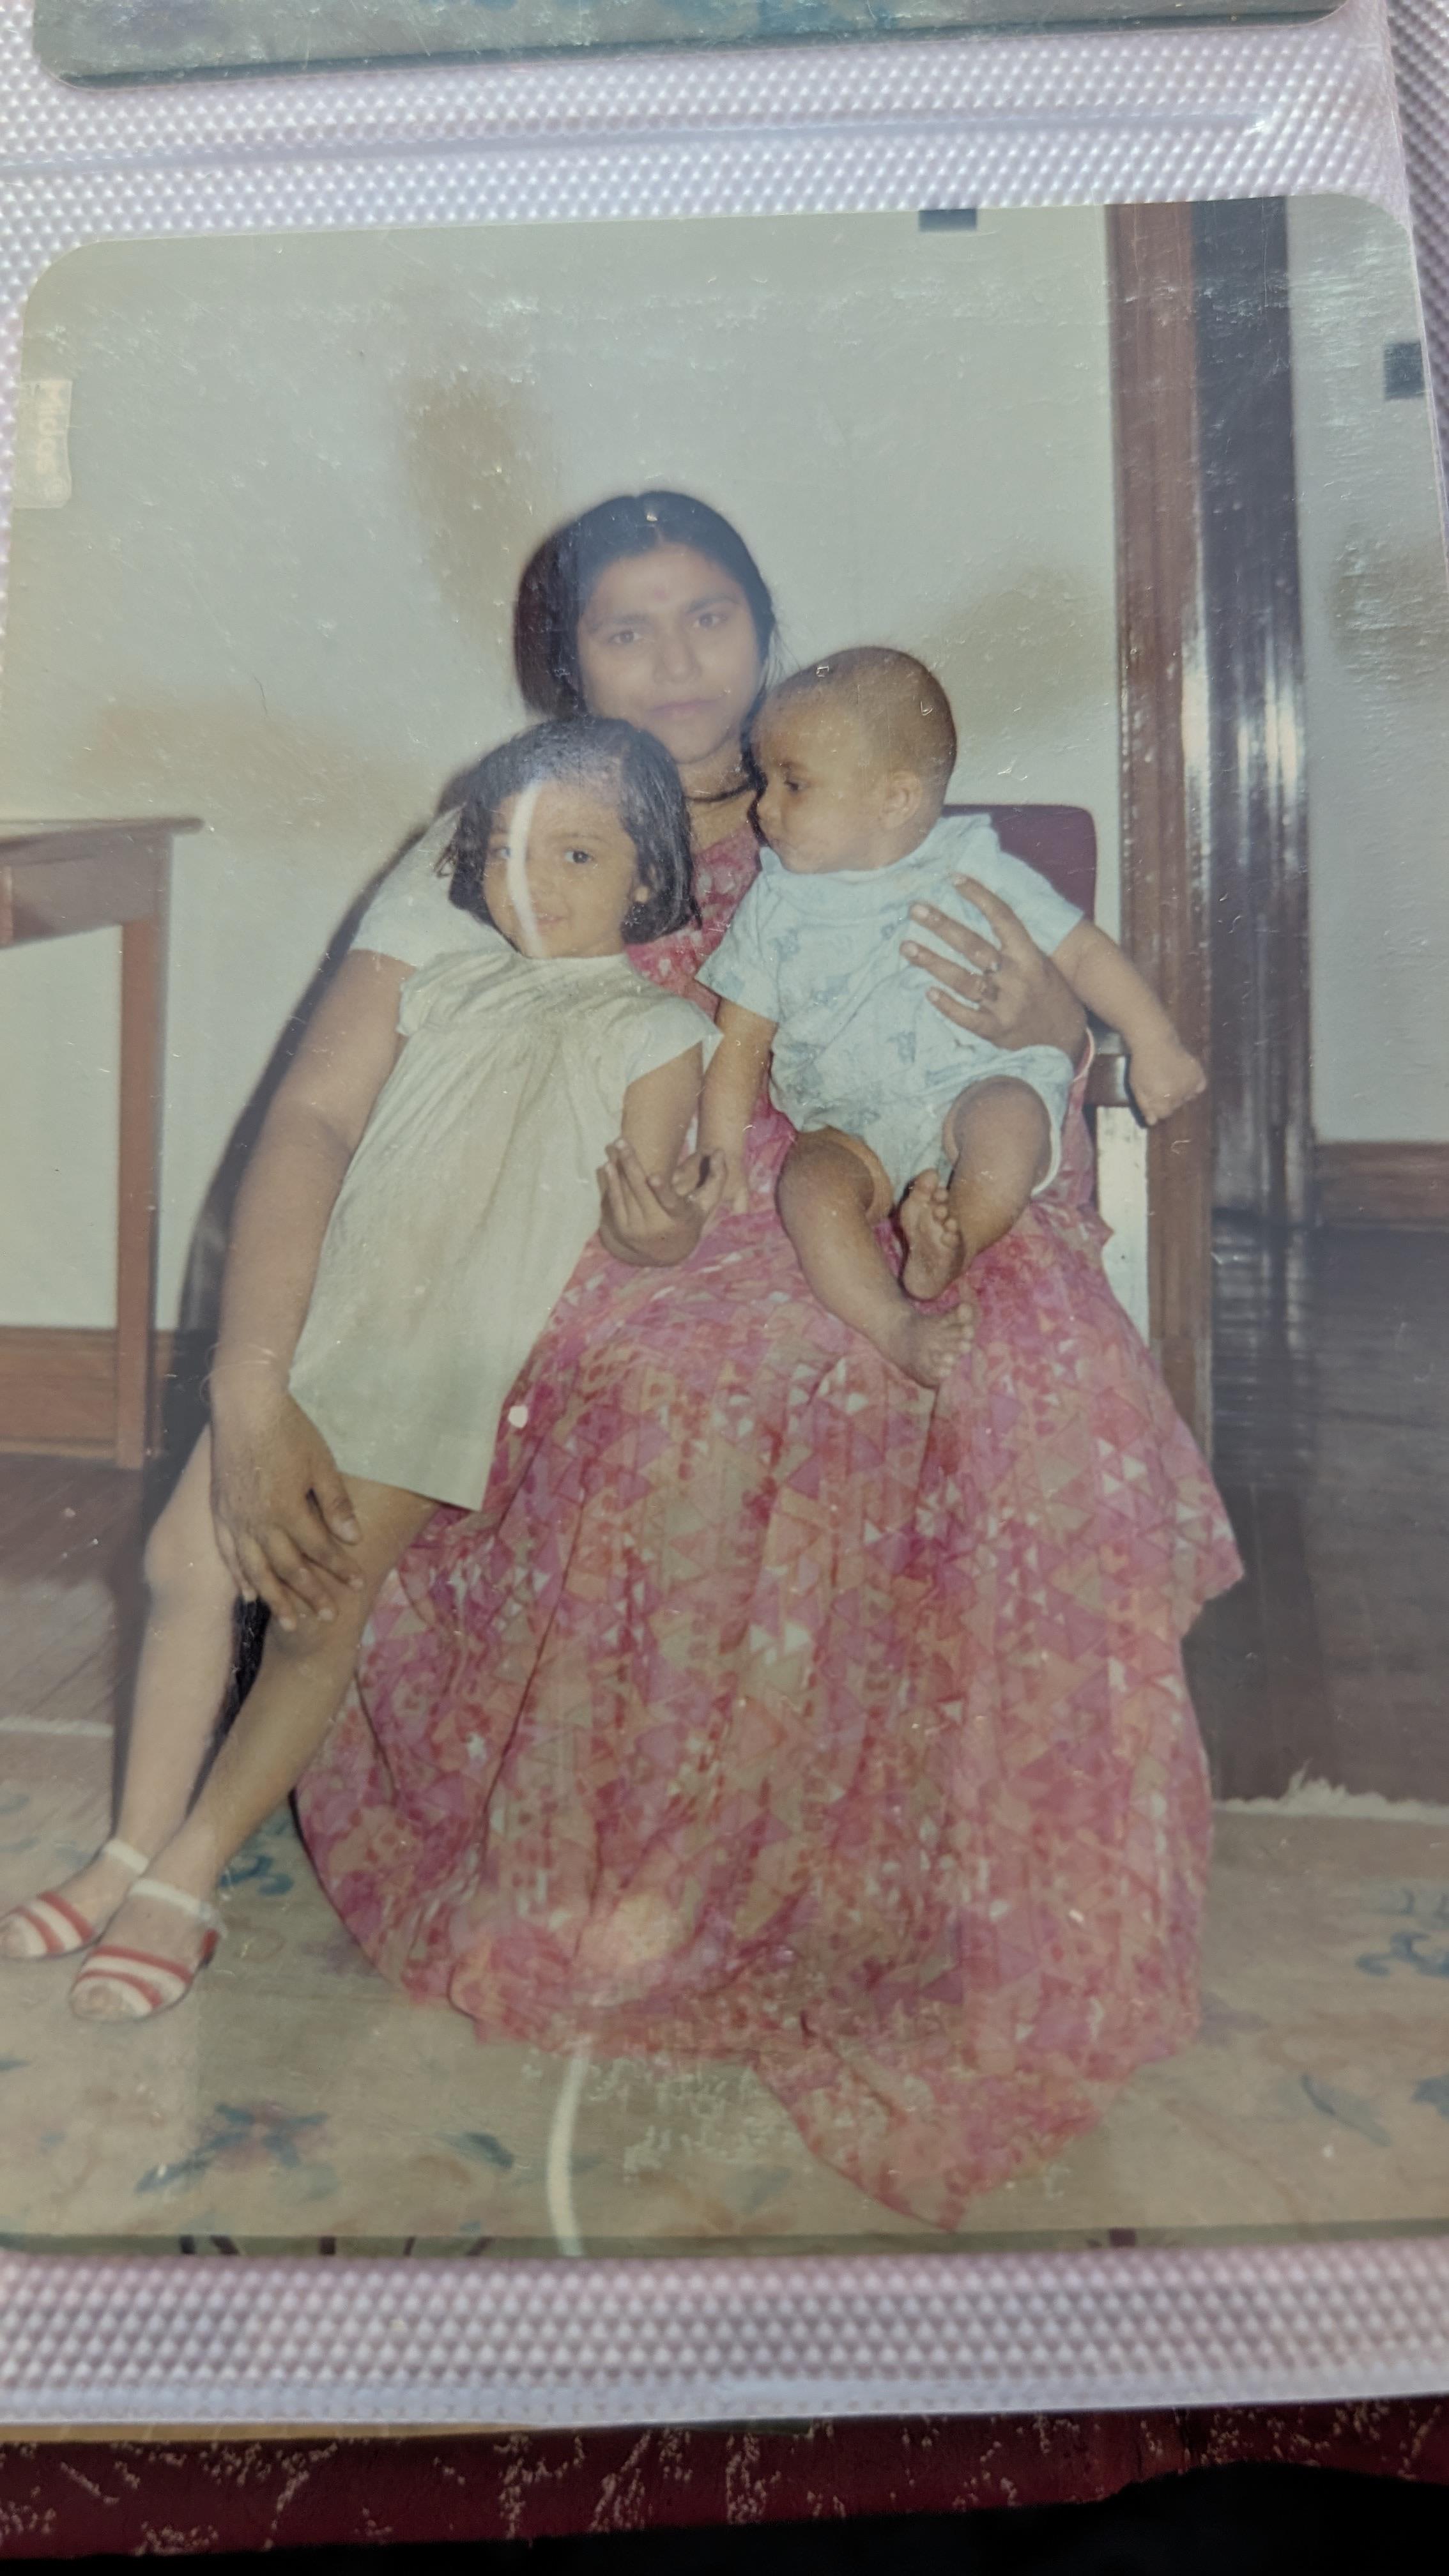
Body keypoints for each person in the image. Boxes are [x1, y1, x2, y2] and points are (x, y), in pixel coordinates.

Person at [7, 491, 1240, 2229]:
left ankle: (902, 1890)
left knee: (979, 1368)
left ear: (762, 622)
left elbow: (1042, 1014)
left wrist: (1048, 1027)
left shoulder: (862, 801)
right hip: (591, 1220)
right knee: (652, 1374)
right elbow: (316, 1112)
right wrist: (244, 1371)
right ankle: (606, 1876)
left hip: (881, 1182)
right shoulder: (519, 832)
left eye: (710, 615)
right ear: (559, 660)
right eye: (625, 629)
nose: (677, 660)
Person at [0, 718, 716, 2016]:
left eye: (574, 853)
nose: (529, 883)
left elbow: (648, 1216)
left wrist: (655, 1230)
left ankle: (190, 1878)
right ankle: (125, 1850)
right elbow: (331, 1132)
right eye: (503, 852)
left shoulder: (659, 1027)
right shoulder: (443, 980)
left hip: (440, 1362)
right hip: (328, 1322)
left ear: (651, 876)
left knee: (319, 1612)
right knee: (181, 1566)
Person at [700, 648, 1206, 1386]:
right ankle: (893, 1322)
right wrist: (720, 1151)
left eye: (794, 784)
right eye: (768, 781)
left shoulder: (973, 866)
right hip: (850, 1128)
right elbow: (740, 1040)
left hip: (973, 1089)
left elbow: (1084, 952)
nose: (764, 808)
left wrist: (1154, 1040)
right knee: (809, 1188)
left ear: (895, 800)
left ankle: (955, 1237)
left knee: (1011, 1121)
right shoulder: (775, 902)